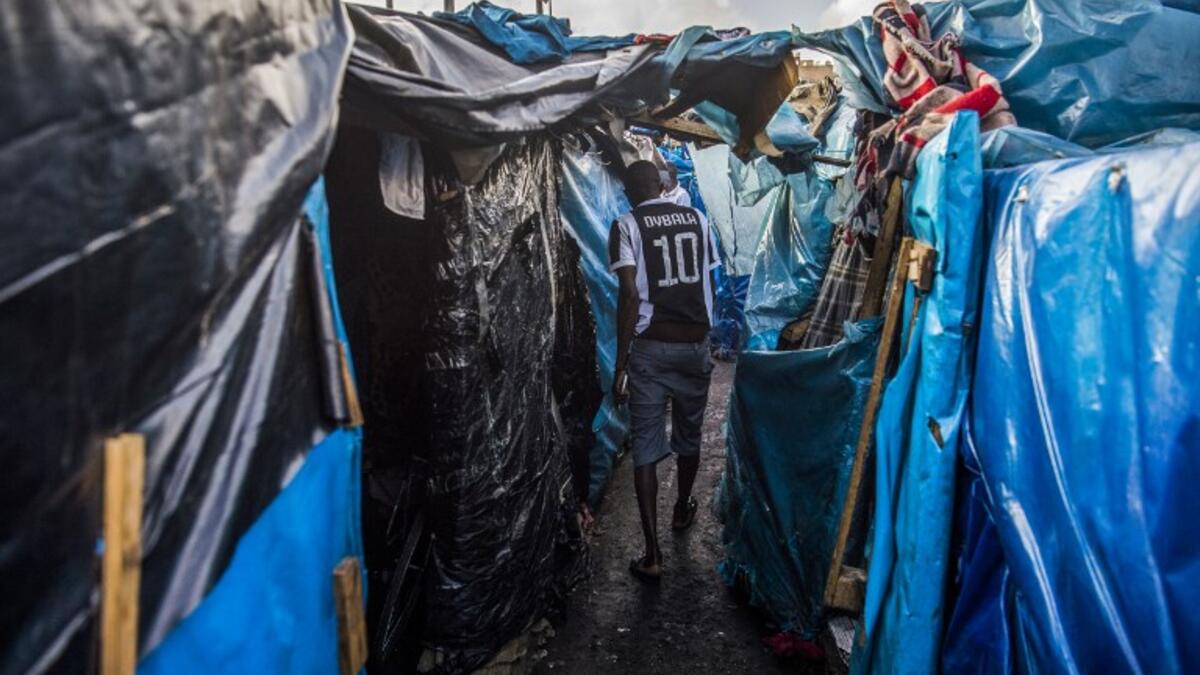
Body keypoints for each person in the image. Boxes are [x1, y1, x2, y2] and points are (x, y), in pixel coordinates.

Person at [608, 160, 719, 583]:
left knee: (646, 445)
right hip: (694, 344)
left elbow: (629, 295)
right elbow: (707, 281)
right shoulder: (696, 219)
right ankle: (682, 505)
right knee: (689, 435)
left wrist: (621, 363)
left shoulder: (627, 224)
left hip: (652, 349)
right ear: (661, 185)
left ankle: (653, 554)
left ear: (628, 191)